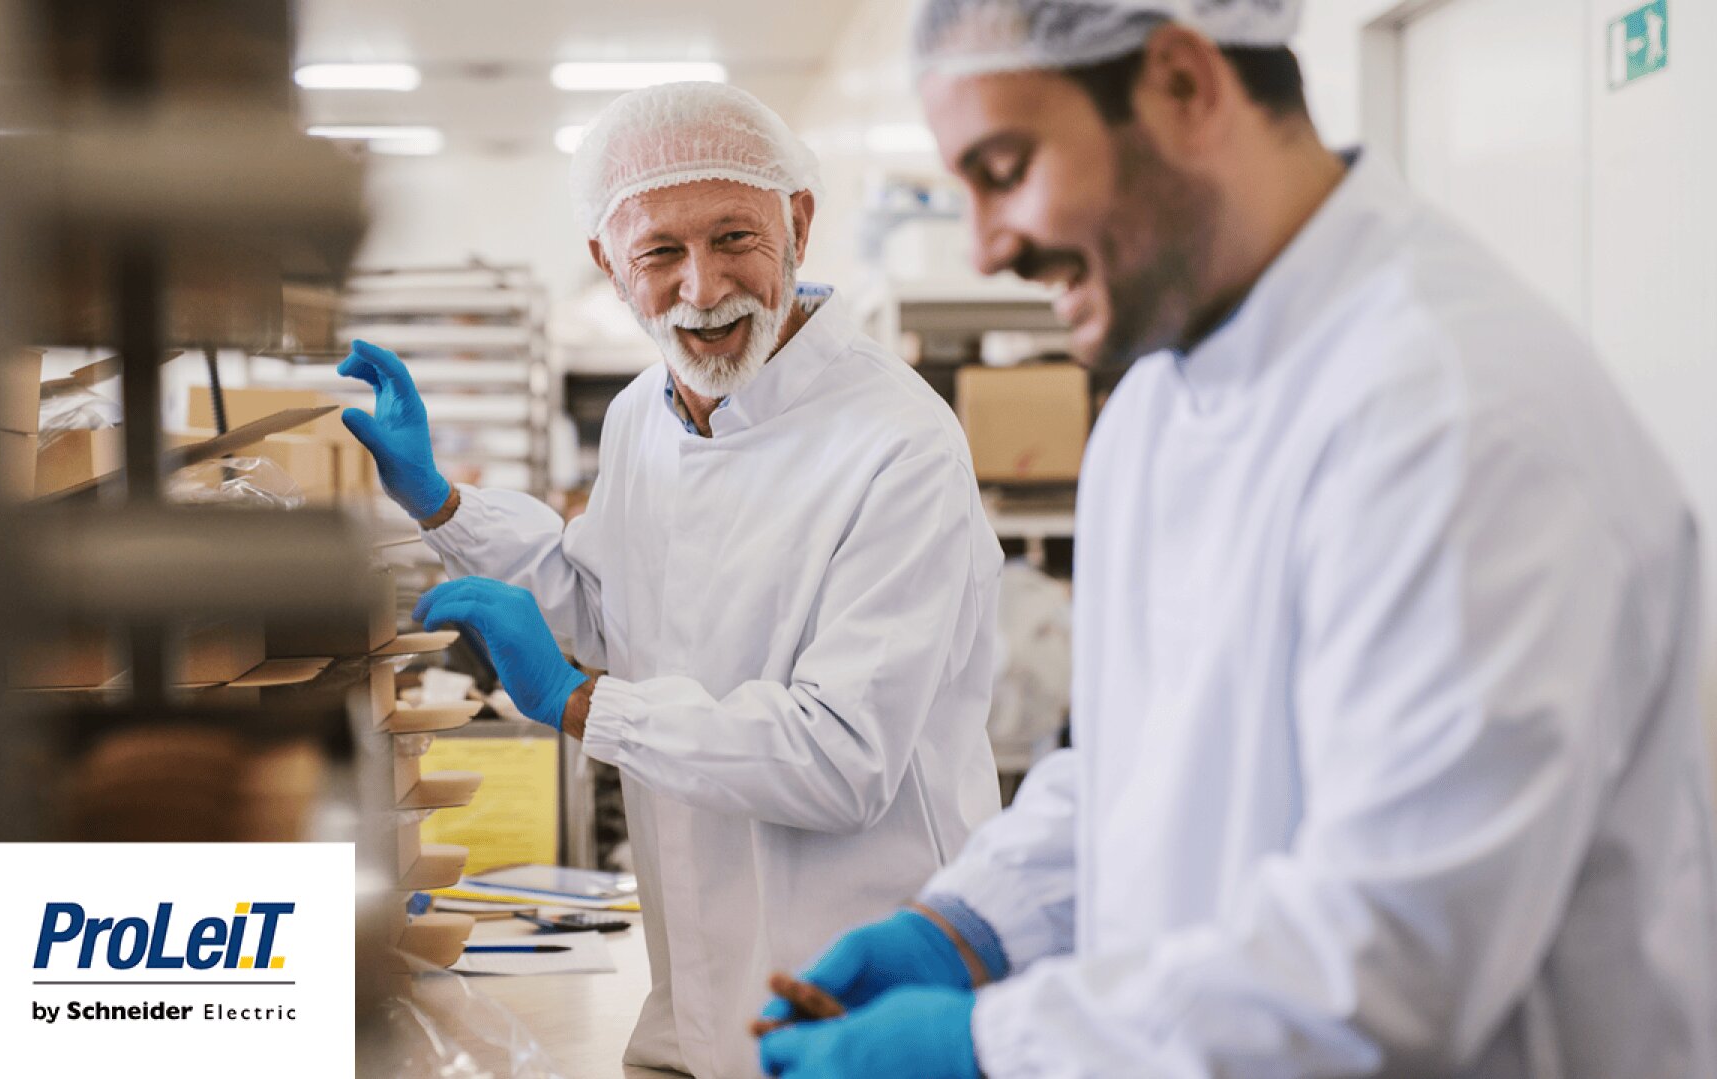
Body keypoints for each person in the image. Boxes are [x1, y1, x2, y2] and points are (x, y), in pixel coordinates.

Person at [756, 2, 1717, 1077]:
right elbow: (1140, 769)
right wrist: (969, 925)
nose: (987, 247)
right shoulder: (1155, 407)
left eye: (1006, 168)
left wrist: (986, 1046)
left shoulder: (1456, 413)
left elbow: (1384, 964)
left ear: (1183, 85)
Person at [340, 81, 1004, 1079]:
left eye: (735, 237)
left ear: (799, 225)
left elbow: (841, 758)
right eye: (659, 252)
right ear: (609, 264)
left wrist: (581, 704)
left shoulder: (900, 445)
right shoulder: (642, 416)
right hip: (695, 996)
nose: (703, 286)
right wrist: (442, 504)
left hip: (866, 1005)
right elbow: (611, 610)